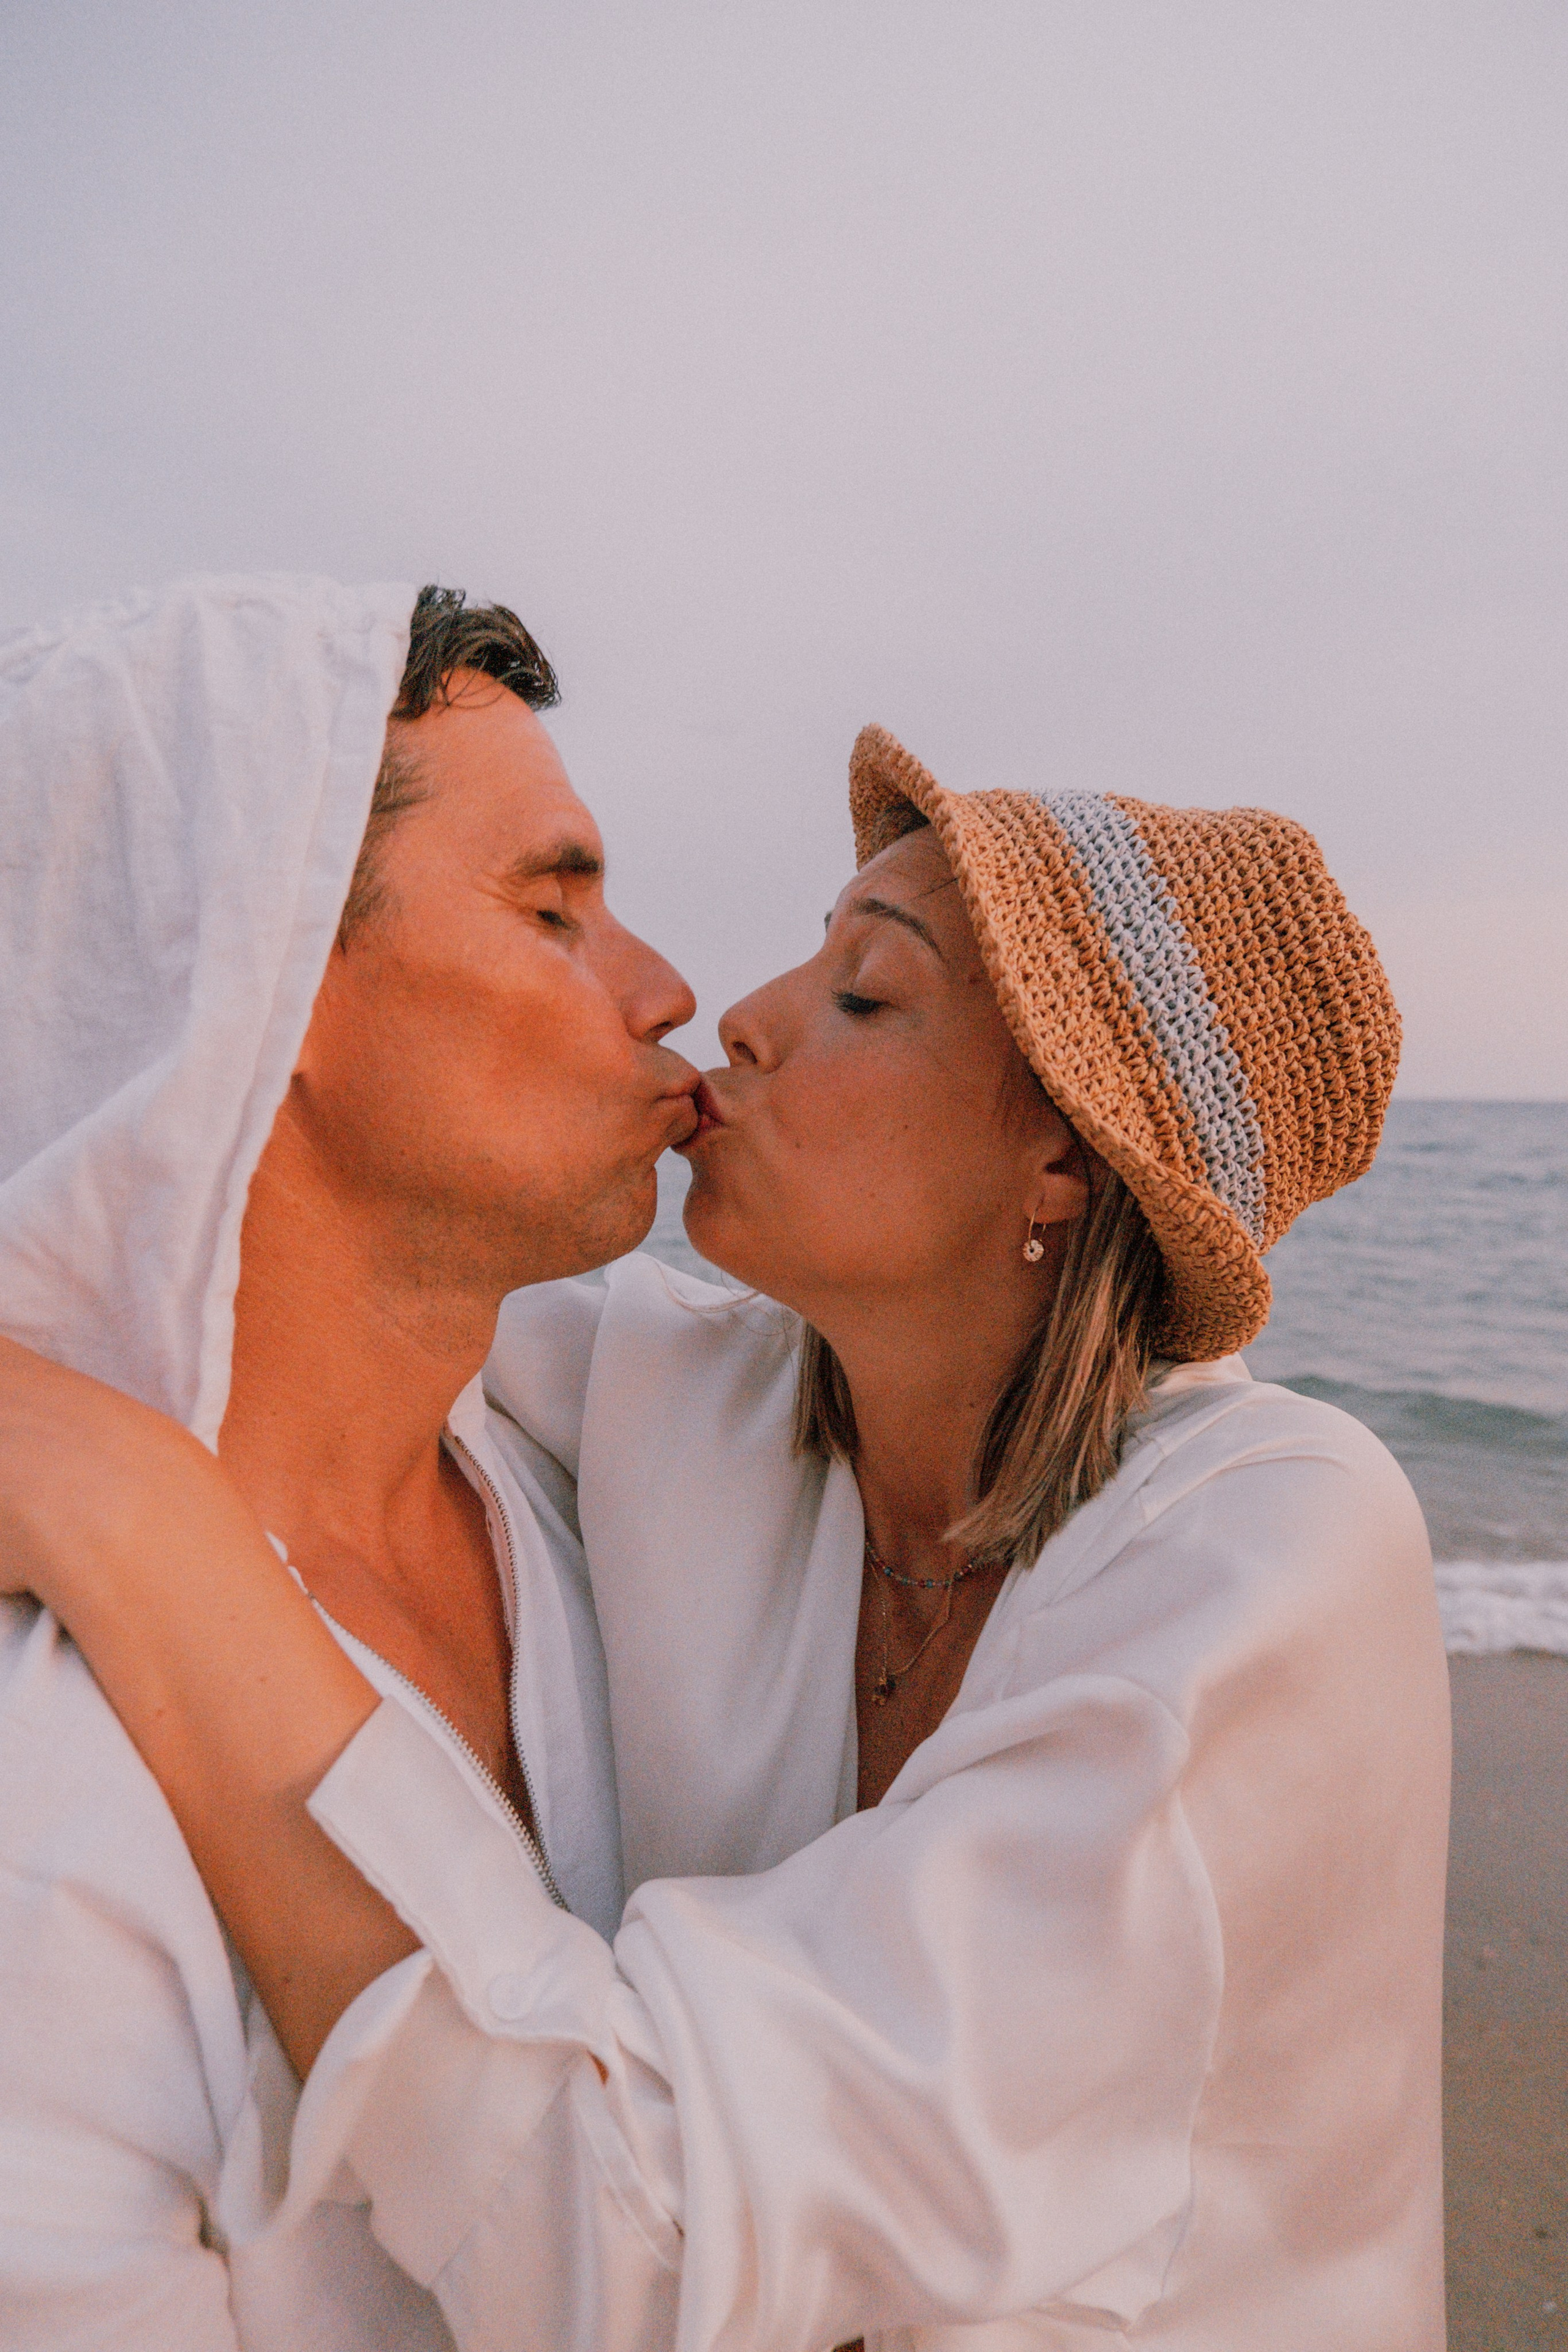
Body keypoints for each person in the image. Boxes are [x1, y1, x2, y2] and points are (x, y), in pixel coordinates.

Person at [0, 726, 1451, 2351]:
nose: (738, 1016)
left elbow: (636, 2234)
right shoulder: (707, 1407)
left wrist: (137, 1525)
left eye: (866, 996)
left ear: (1060, 1155)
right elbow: (298, 1268)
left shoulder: (1270, 1545)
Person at [0, 575, 699, 2348]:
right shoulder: (48, 1822)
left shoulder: (615, 1485)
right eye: (553, 910)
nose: (667, 992)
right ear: (260, 972)